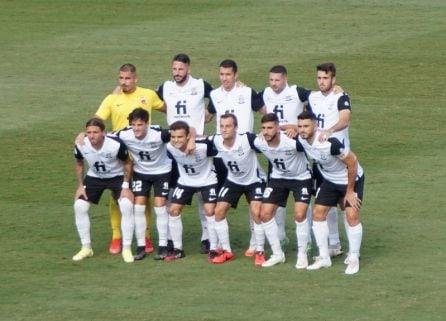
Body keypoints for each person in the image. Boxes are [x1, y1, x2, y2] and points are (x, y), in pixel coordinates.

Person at [93, 63, 165, 255]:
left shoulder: (148, 95)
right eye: (121, 79)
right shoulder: (112, 98)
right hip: (119, 156)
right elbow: (97, 121)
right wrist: (85, 135)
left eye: (127, 78)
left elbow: (168, 108)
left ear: (136, 79)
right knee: (118, 196)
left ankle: (146, 237)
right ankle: (117, 237)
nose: (124, 82)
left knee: (143, 197)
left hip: (143, 157)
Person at [207, 59, 266, 257]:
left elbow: (266, 113)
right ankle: (218, 245)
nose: (224, 78)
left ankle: (255, 243)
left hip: (245, 150)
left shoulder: (247, 92)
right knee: (215, 203)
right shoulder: (214, 95)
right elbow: (207, 116)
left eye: (228, 75)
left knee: (254, 205)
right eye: (221, 74)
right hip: (223, 153)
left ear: (236, 75)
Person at [157, 53, 214, 253]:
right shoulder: (166, 87)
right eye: (174, 69)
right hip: (174, 146)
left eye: (181, 69)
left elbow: (218, 97)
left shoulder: (200, 85)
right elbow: (152, 102)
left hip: (197, 145)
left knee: (202, 194)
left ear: (188, 68)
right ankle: (172, 240)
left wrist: (209, 113)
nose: (177, 73)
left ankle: (207, 237)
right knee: (171, 192)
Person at [297, 111, 364, 275]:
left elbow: (353, 162)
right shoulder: (301, 139)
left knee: (352, 216)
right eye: (299, 126)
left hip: (351, 179)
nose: (302, 130)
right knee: (318, 214)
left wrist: (349, 191)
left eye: (306, 126)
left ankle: (354, 258)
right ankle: (324, 257)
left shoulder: (330, 143)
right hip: (329, 180)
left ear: (315, 125)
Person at [258, 65, 313, 252]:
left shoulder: (296, 92)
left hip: (294, 145)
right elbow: (251, 100)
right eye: (271, 80)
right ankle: (280, 236)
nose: (273, 84)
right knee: (276, 195)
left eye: (277, 80)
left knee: (303, 196)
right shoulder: (265, 93)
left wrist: (298, 128)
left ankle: (309, 237)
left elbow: (316, 99)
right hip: (274, 145)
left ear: (285, 79)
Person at [115, 108, 177, 261]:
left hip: (162, 172)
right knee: (138, 207)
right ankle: (141, 246)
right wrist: (82, 135)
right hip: (141, 173)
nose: (136, 128)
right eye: (134, 125)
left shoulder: (159, 135)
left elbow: (181, 133)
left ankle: (163, 245)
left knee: (160, 206)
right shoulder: (124, 134)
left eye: (140, 125)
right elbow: (106, 136)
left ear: (147, 124)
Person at [253, 113, 313, 268]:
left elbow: (309, 134)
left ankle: (302, 254)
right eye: (264, 128)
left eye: (270, 128)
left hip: (301, 178)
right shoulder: (259, 142)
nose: (266, 131)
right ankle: (277, 254)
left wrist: (293, 128)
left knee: (300, 214)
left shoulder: (292, 142)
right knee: (264, 214)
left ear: (278, 128)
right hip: (278, 179)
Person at [206, 114, 266, 264]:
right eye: (222, 126)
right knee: (218, 211)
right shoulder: (216, 140)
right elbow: (200, 138)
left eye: (228, 126)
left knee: (256, 212)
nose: (224, 129)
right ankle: (227, 251)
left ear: (236, 127)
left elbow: (268, 139)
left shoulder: (247, 139)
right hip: (234, 181)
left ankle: (259, 250)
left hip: (254, 180)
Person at [72, 118, 135, 263]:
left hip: (117, 176)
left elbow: (127, 163)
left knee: (126, 205)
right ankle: (86, 248)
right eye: (89, 132)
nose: (92, 135)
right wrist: (80, 185)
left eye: (95, 132)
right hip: (95, 177)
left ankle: (126, 248)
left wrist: (126, 186)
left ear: (103, 133)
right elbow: (79, 163)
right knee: (79, 206)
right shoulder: (81, 144)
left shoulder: (115, 145)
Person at [307, 62, 352, 257]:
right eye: (319, 78)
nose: (321, 82)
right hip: (320, 160)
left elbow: (345, 120)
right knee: (325, 203)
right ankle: (333, 244)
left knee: (345, 205)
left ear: (333, 79)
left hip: (339, 157)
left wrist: (330, 131)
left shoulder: (341, 96)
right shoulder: (312, 97)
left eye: (325, 78)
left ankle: (353, 249)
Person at [165, 121, 219, 261]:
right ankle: (178, 249)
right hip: (186, 181)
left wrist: (194, 139)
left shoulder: (203, 146)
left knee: (209, 211)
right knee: (173, 210)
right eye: (173, 137)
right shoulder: (169, 146)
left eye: (180, 137)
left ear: (187, 136)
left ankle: (214, 248)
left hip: (207, 180)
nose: (176, 140)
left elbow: (217, 147)